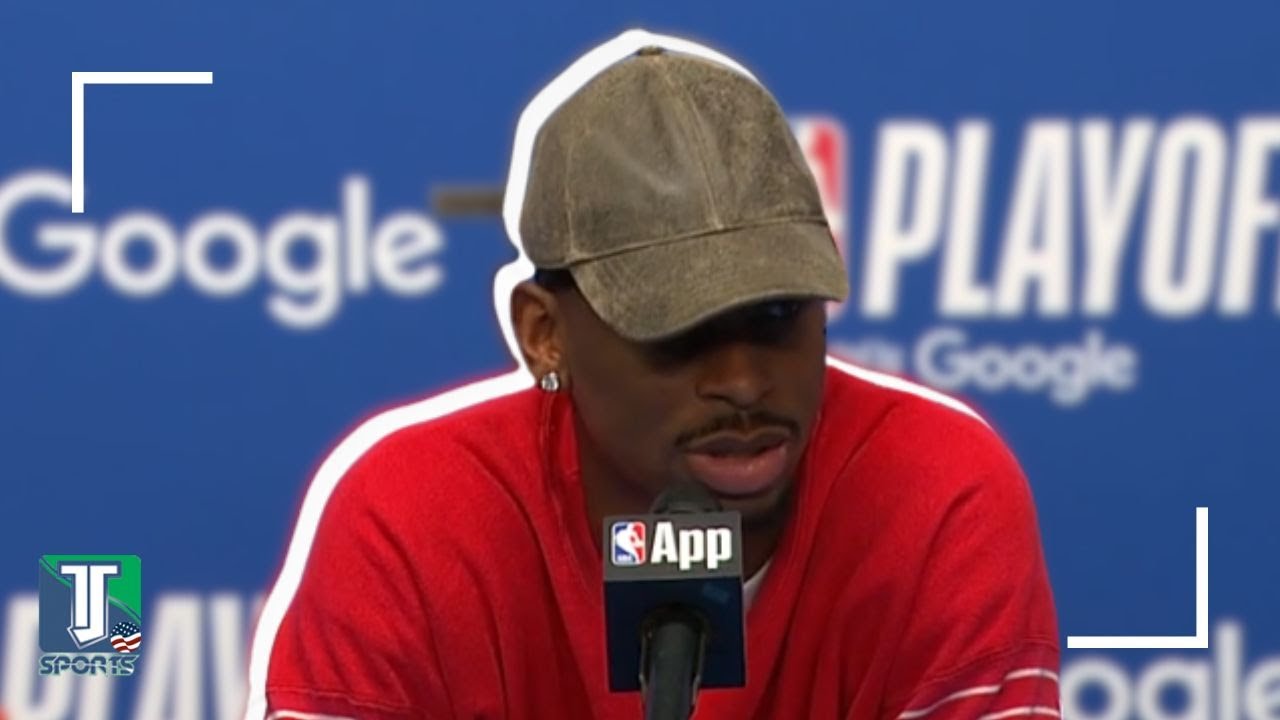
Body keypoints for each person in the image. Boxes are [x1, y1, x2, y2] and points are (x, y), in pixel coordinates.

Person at [244, 30, 1059, 720]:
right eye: (679, 331)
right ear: (544, 335)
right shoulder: (411, 519)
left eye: (778, 315)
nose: (744, 382)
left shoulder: (936, 494)